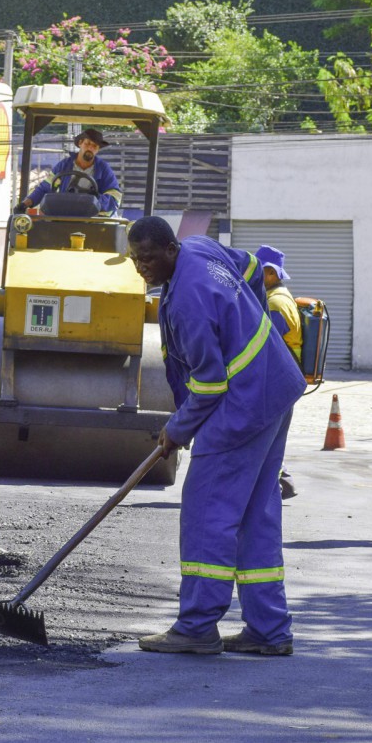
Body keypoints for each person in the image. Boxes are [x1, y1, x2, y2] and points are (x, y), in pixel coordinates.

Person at [127, 216, 305, 656]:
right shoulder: (200, 248)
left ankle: (196, 626)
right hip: (275, 384)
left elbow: (209, 384)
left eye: (147, 259)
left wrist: (176, 429)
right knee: (256, 513)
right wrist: (253, 328)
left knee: (208, 512)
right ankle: (269, 628)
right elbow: (251, 267)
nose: (141, 268)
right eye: (134, 259)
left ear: (171, 250)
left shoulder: (187, 302)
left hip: (242, 406)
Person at [256, 244, 302, 500]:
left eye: (259, 270)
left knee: (266, 434)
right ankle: (282, 482)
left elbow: (265, 345)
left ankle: (277, 484)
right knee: (270, 436)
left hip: (277, 379)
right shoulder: (279, 297)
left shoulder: (275, 303)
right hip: (282, 378)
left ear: (271, 273)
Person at [15, 128, 122, 217]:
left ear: (97, 150)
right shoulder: (64, 166)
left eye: (94, 146)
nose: (90, 148)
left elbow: (114, 198)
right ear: (80, 143)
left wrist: (96, 199)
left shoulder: (104, 169)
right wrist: (25, 204)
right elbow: (45, 188)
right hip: (64, 216)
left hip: (93, 219)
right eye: (87, 143)